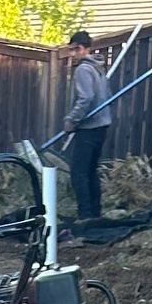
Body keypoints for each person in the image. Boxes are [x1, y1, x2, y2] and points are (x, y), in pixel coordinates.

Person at [61, 27, 111, 225]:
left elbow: (86, 98)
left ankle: (85, 215)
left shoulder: (84, 69)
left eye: (73, 50)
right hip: (102, 126)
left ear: (81, 48)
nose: (71, 54)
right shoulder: (98, 68)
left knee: (79, 173)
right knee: (91, 171)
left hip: (89, 128)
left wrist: (72, 120)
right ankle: (95, 213)